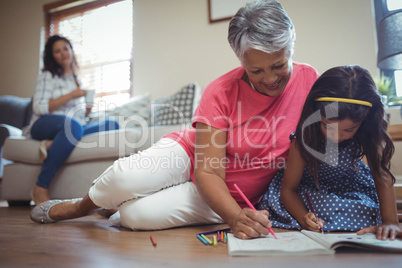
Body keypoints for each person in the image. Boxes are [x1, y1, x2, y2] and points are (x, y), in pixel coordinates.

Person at [30, 0, 319, 239]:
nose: (270, 79)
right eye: (256, 71)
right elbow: (209, 171)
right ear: (240, 60)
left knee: (135, 216)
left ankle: (116, 207)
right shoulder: (221, 92)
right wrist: (233, 218)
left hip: (227, 191)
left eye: (279, 65)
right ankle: (78, 207)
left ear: (291, 48)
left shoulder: (311, 82)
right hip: (194, 156)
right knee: (125, 178)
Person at [257, 65, 402, 240]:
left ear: (364, 121)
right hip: (309, 191)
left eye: (348, 130)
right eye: (327, 126)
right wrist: (304, 218)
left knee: (370, 209)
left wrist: (390, 221)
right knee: (327, 205)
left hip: (350, 189)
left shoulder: (369, 133)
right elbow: (288, 190)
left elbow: (382, 177)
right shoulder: (304, 137)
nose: (337, 136)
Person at [28, 35, 119, 204]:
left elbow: (78, 118)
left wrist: (87, 110)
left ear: (71, 51)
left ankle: (55, 142)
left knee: (112, 123)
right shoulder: (47, 76)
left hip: (71, 126)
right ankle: (40, 187)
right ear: (51, 56)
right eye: (57, 50)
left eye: (65, 48)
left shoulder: (76, 80)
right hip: (44, 123)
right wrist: (72, 95)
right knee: (73, 127)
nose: (63, 53)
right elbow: (39, 107)